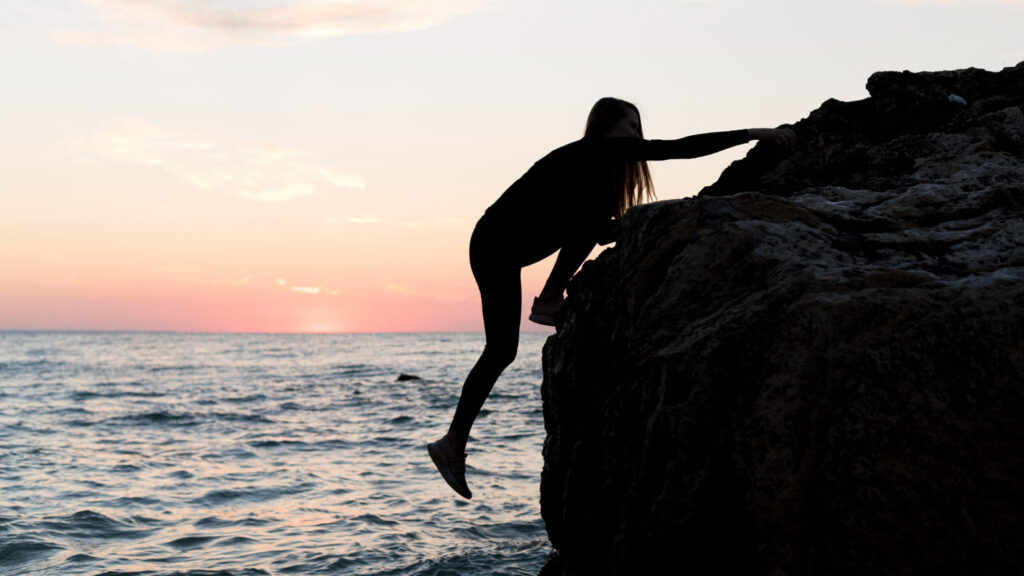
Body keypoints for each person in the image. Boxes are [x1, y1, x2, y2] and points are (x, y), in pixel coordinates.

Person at [427, 97, 797, 499]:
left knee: (504, 347)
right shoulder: (594, 150)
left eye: (639, 128)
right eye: (631, 126)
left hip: (502, 246)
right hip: (495, 243)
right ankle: (454, 440)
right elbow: (677, 148)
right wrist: (753, 134)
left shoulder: (597, 177)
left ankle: (456, 436)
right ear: (607, 126)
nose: (637, 135)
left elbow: (597, 230)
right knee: (501, 350)